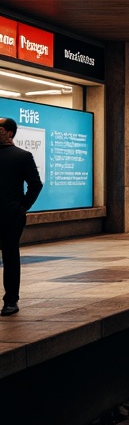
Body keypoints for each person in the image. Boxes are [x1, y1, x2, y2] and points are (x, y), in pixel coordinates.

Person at [0, 117, 43, 316]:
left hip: (10, 215)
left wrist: (22, 206)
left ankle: (10, 300)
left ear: (9, 132)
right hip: (10, 212)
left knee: (10, 256)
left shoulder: (22, 156)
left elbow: (35, 184)